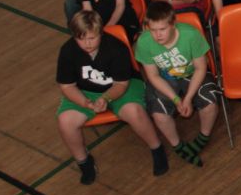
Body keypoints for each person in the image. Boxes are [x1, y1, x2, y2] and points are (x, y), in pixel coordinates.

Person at [56, 10, 167, 184]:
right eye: (81, 39)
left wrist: (105, 99)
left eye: (92, 38)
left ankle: (157, 148)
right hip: (86, 91)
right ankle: (83, 162)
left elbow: (121, 84)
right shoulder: (68, 50)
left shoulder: (116, 47)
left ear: (101, 33)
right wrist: (85, 102)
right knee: (65, 122)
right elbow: (67, 86)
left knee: (134, 112)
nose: (87, 44)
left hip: (122, 86)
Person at [134, 2, 221, 167]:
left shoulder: (191, 34)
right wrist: (175, 99)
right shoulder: (144, 42)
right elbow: (153, 76)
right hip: (164, 78)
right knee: (159, 114)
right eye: (153, 30)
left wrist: (187, 98)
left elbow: (201, 68)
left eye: (162, 29)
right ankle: (178, 146)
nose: (157, 35)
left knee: (210, 104)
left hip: (192, 74)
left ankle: (203, 138)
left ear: (173, 24)